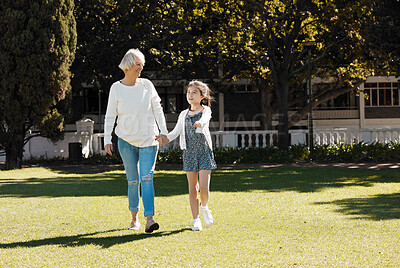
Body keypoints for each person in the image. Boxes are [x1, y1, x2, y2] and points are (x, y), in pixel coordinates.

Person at [104, 48, 168, 233]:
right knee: (133, 181)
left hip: (149, 139)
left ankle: (150, 219)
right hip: (126, 141)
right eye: (139, 64)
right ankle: (134, 220)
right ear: (129, 65)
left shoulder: (147, 85)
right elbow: (110, 116)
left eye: (142, 65)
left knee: (147, 178)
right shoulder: (116, 88)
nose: (141, 68)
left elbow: (157, 109)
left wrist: (163, 132)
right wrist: (108, 138)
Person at [164, 80, 217, 231]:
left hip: (204, 152)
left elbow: (205, 119)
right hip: (189, 153)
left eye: (194, 92)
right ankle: (196, 220)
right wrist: (164, 138)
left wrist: (200, 123)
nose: (190, 95)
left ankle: (204, 206)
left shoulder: (205, 110)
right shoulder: (183, 114)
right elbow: (175, 132)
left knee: (204, 189)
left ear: (202, 96)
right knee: (193, 188)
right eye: (189, 92)